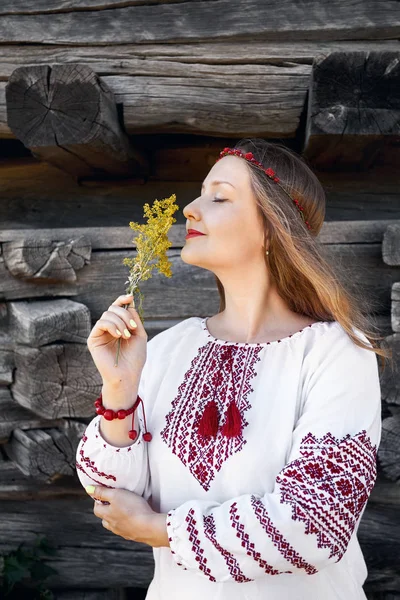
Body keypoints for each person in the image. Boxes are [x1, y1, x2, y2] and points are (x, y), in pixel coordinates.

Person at [76, 138, 391, 600]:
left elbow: (316, 522)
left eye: (219, 196)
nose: (189, 208)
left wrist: (162, 529)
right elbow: (109, 495)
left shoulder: (336, 353)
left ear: (273, 227)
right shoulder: (167, 348)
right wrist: (120, 391)